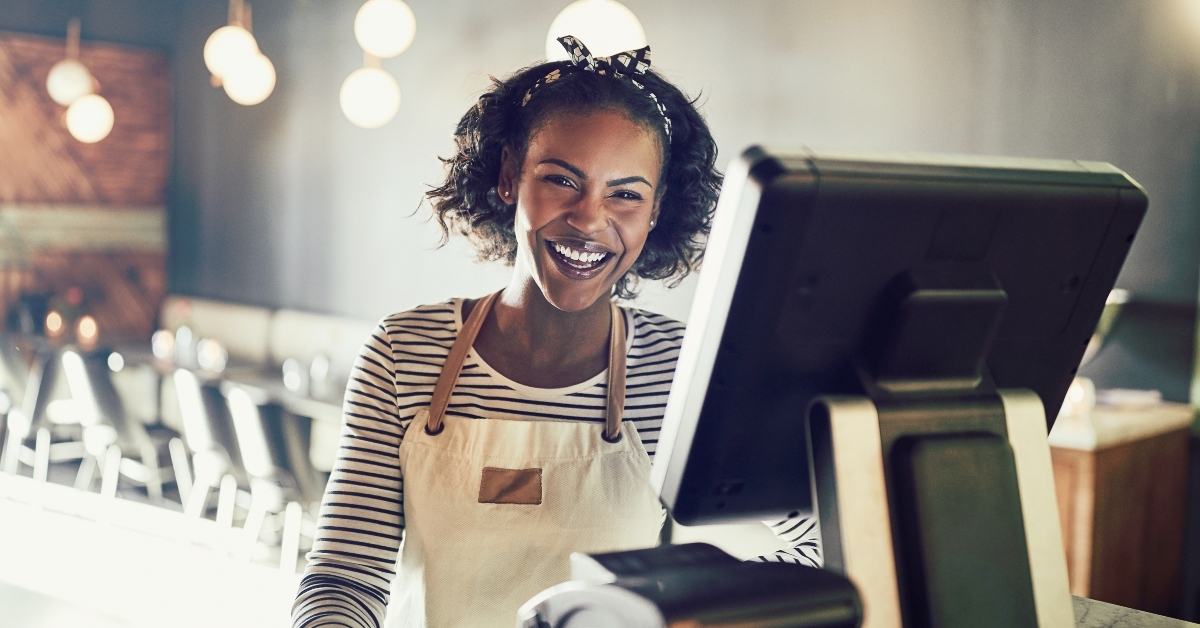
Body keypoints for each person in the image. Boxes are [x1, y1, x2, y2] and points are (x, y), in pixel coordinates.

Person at [291, 36, 819, 628]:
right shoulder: (404, 351)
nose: (591, 219)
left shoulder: (681, 370)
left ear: (655, 210)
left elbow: (819, 545)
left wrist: (692, 610)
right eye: (562, 181)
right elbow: (345, 577)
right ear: (510, 177)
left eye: (625, 194)